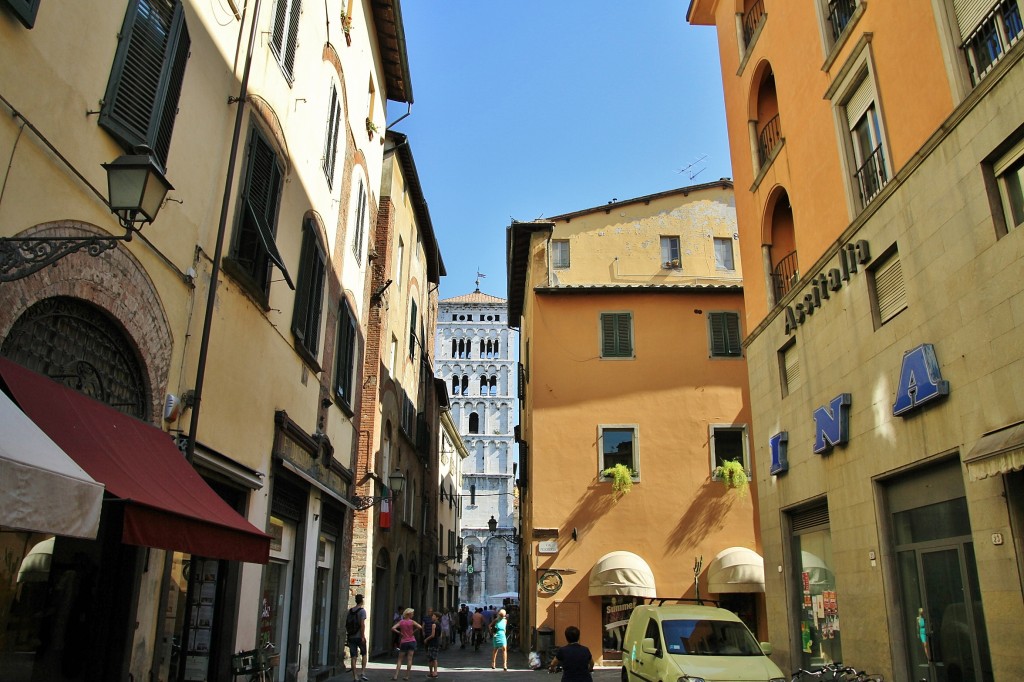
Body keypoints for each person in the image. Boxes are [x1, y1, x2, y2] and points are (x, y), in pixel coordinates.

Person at [391, 608, 423, 681]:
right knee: (409, 659)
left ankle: (396, 675)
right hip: (412, 641)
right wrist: (413, 632)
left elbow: (393, 628)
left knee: (400, 659)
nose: (413, 615)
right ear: (409, 614)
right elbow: (420, 627)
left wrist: (399, 633)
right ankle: (407, 676)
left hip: (404, 641)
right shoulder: (412, 622)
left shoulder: (401, 622)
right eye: (412, 613)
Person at [346, 594, 369, 682]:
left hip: (351, 636)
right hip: (359, 636)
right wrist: (363, 636)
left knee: (353, 656)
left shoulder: (350, 611)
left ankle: (355, 676)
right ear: (362, 601)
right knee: (364, 654)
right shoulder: (362, 611)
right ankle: (363, 672)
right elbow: (362, 625)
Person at [424, 610, 441, 678]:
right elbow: (439, 634)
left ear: (437, 617)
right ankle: (431, 672)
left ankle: (434, 672)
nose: (432, 616)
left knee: (433, 658)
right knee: (432, 658)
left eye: (433, 616)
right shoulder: (439, 624)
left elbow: (432, 635)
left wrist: (426, 639)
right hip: (436, 642)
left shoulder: (434, 624)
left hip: (432, 642)